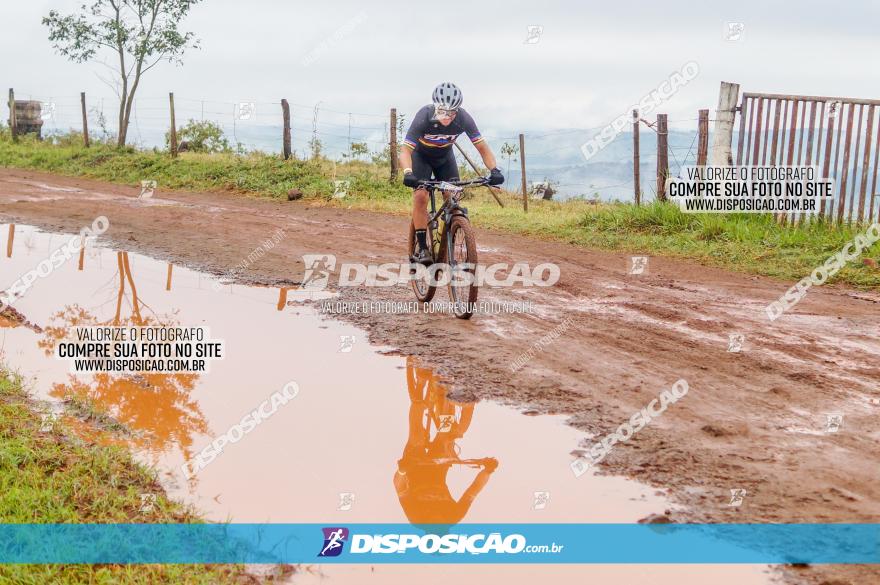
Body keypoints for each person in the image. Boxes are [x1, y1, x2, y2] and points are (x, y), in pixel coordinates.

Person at [400, 82, 504, 265]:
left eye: (452, 112)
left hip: (444, 158)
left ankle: (451, 228)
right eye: (443, 111)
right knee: (421, 196)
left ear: (458, 110)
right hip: (421, 158)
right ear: (436, 107)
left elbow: (482, 147)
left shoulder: (463, 118)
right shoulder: (424, 116)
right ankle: (423, 247)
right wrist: (408, 172)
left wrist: (494, 170)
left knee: (453, 196)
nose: (447, 117)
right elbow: (405, 151)